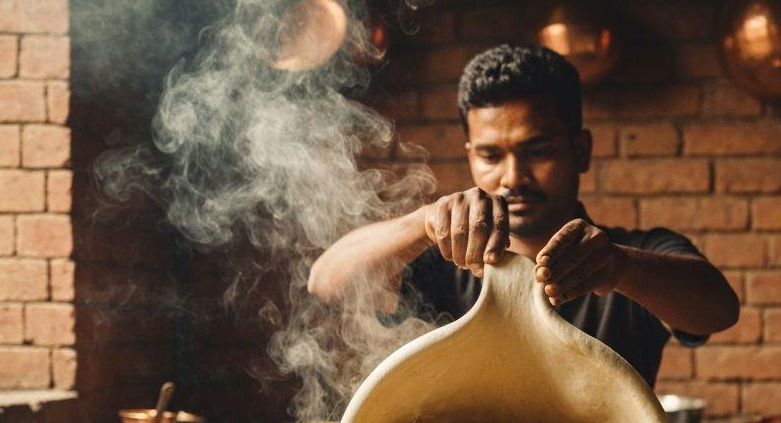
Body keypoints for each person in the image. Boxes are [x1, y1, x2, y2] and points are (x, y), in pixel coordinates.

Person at [309, 44, 739, 387]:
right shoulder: (442, 266)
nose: (513, 177)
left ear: (581, 151)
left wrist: (620, 267)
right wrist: (424, 221)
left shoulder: (634, 255)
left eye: (537, 151)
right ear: (471, 158)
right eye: (491, 155)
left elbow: (718, 310)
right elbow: (326, 282)